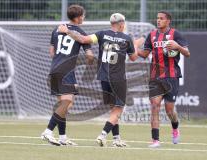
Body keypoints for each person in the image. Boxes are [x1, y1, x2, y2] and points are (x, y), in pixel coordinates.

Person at [58, 13, 143, 147]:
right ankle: (103, 134)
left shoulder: (101, 34)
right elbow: (133, 57)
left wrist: (68, 31)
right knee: (118, 110)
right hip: (118, 79)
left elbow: (83, 39)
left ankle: (116, 139)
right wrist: (136, 44)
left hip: (104, 77)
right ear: (121, 24)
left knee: (112, 109)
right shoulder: (126, 38)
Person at [41, 4, 94, 146]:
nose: (84, 18)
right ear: (77, 18)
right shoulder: (81, 33)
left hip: (54, 69)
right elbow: (89, 56)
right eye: (83, 15)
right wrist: (89, 61)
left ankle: (63, 137)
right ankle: (48, 131)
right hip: (66, 71)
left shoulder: (57, 29)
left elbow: (52, 52)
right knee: (67, 103)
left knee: (63, 104)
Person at [137, 11, 190, 148]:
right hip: (155, 77)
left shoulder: (175, 34)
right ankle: (155, 140)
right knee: (155, 106)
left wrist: (177, 47)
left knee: (169, 110)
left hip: (171, 77)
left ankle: (175, 128)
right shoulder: (152, 35)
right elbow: (144, 54)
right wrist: (134, 47)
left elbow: (187, 53)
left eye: (161, 18)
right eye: (157, 18)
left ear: (168, 21)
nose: (158, 20)